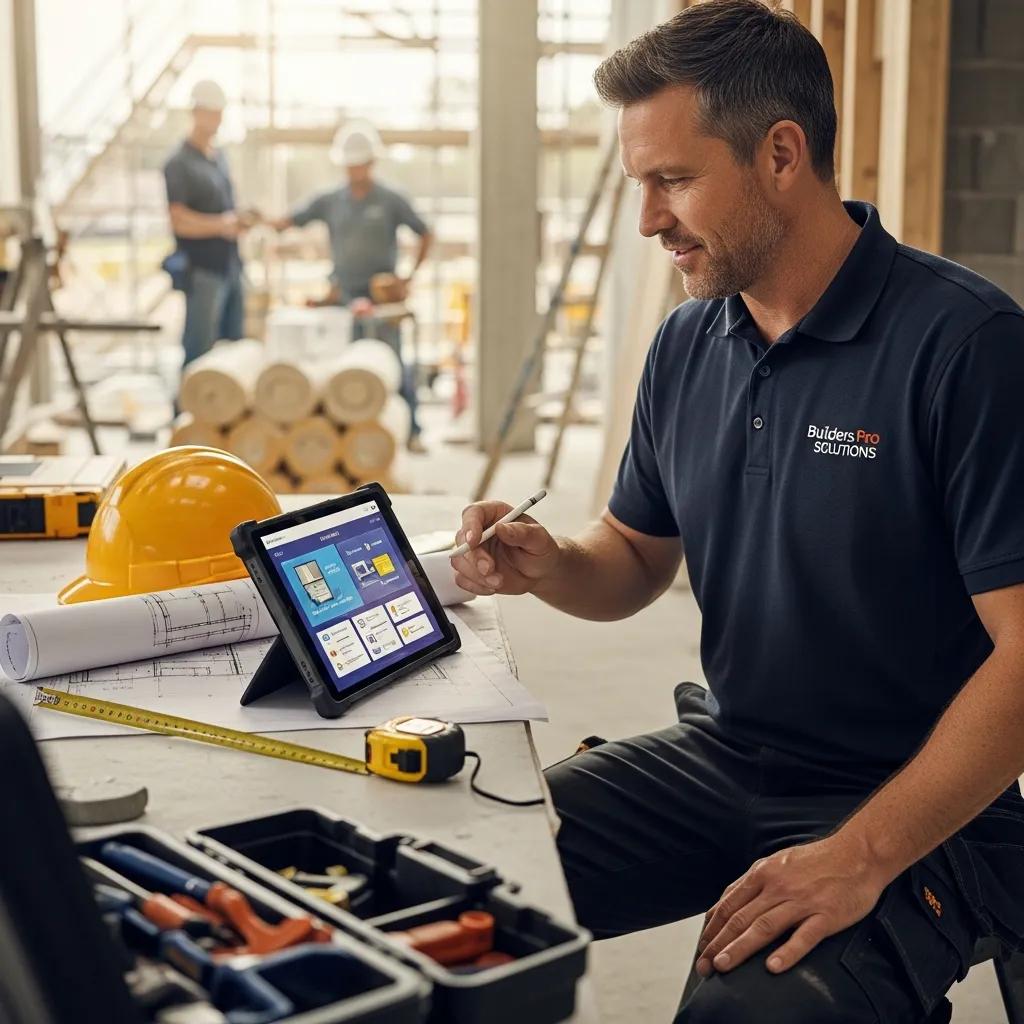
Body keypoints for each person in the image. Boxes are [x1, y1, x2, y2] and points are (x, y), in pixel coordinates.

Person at [451, 2, 1024, 1022]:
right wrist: (548, 563)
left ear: (780, 154)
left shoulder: (965, 346)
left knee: (750, 1013)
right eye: (640, 184)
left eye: (672, 180)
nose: (648, 220)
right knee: (450, 881)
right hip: (726, 752)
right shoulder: (687, 342)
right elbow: (632, 555)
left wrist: (858, 857)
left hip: (908, 802)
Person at [273, 121, 433, 452]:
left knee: (392, 362)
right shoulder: (331, 200)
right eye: (350, 164)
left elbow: (425, 232)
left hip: (380, 298)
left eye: (361, 163)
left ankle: (411, 430)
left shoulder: (390, 200)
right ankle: (348, 433)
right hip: (342, 295)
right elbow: (290, 220)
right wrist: (263, 222)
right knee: (342, 366)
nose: (355, 170)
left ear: (372, 163)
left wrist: (408, 277)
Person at [163, 79, 254, 374]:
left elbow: (224, 209)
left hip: (230, 265)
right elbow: (179, 220)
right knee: (198, 348)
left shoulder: (219, 158)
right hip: (203, 270)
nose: (216, 121)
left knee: (234, 347)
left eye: (219, 114)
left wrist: (239, 220)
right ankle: (185, 415)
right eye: (210, 113)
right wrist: (222, 225)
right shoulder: (179, 163)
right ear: (195, 112)